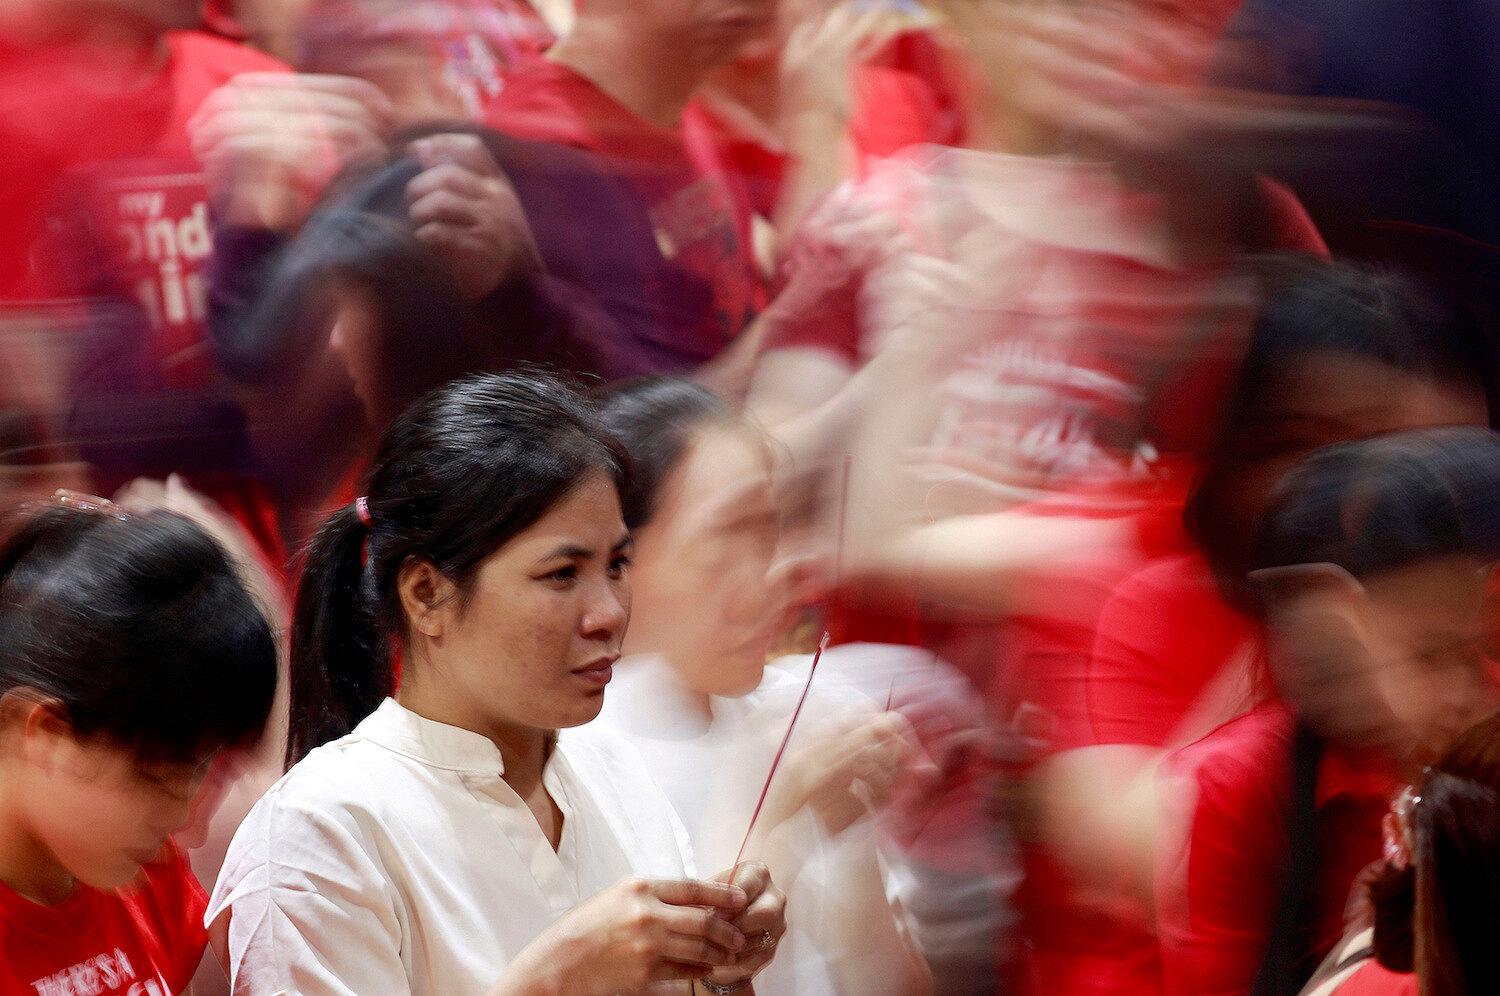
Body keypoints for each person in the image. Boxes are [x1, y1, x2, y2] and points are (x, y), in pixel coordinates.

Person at [210, 371, 787, 996]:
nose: (611, 613)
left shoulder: (616, 771)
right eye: (562, 573)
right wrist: (559, 979)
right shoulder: (318, 837)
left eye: (618, 564)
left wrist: (721, 969)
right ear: (426, 594)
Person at [595, 375, 933, 996]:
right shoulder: (570, 762)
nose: (767, 583)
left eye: (769, 533)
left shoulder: (810, 711)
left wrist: (849, 836)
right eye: (725, 541)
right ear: (621, 563)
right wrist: (767, 798)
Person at [1155, 425, 1500, 996]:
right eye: (1432, 656)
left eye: (1492, 648)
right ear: (1343, 641)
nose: (1470, 692)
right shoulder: (1246, 785)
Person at [0, 495, 278, 995]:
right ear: (44, 733)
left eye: (198, 770)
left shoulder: (153, 881)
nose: (180, 818)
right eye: (153, 775)